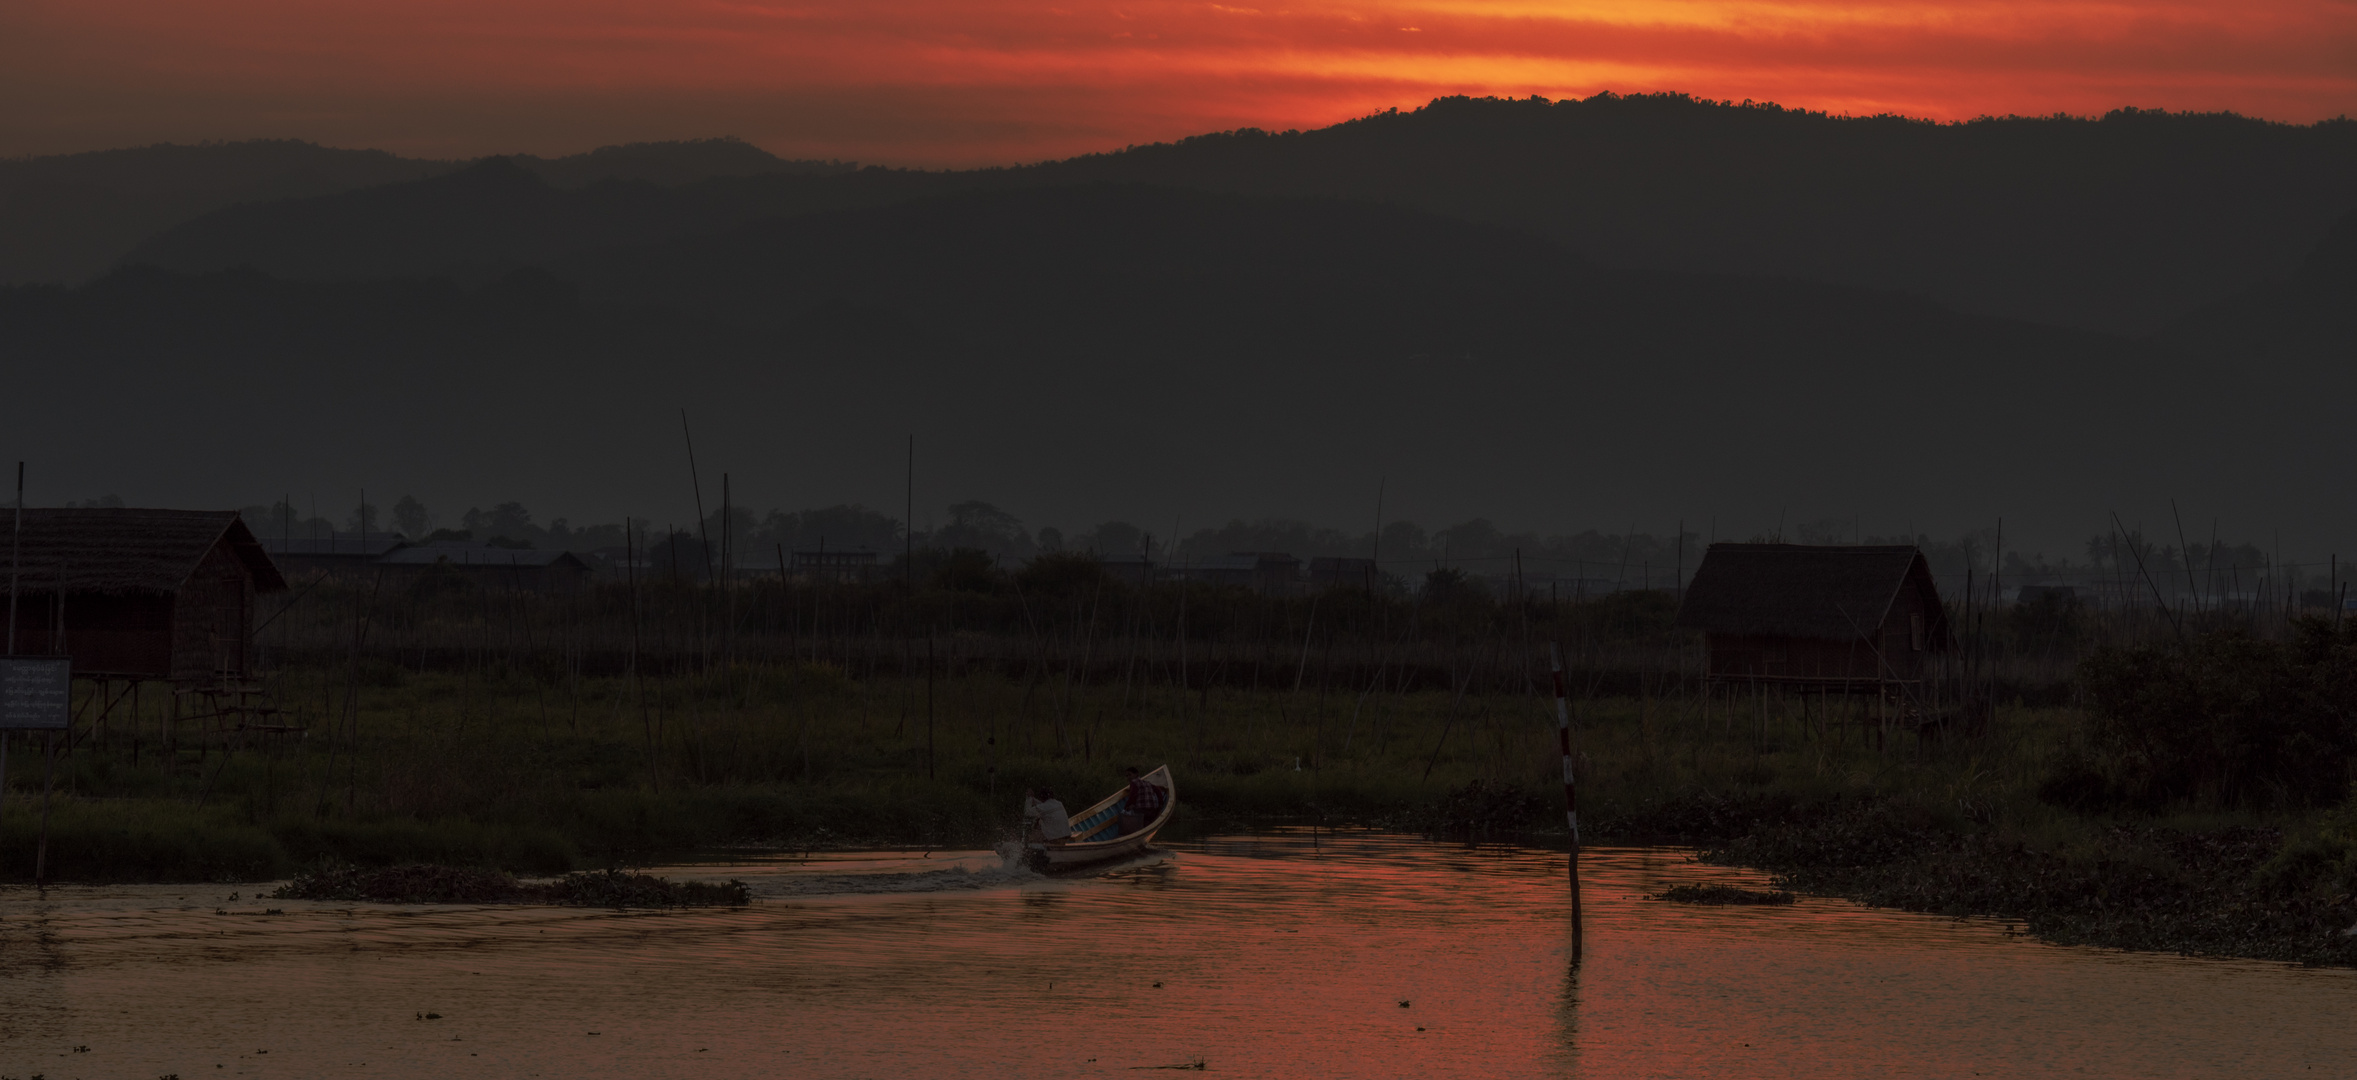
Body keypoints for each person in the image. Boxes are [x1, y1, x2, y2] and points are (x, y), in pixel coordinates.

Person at [1118, 766, 1168, 836]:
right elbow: (1158, 792)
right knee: (1146, 823)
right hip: (1153, 810)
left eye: (1130, 775)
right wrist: (1160, 803)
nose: (1128, 777)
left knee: (1132, 814)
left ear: (1136, 775)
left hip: (1142, 811)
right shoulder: (1147, 783)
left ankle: (1136, 835)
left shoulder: (1134, 783)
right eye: (1127, 776)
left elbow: (1133, 796)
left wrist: (1126, 807)